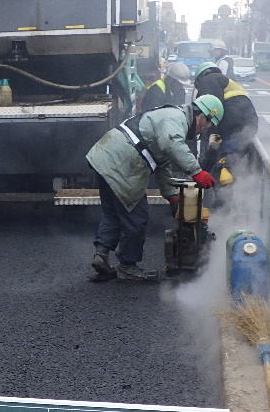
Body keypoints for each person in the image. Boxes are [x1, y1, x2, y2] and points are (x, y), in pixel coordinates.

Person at [85, 95, 224, 283]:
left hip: (104, 156)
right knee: (136, 217)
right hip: (122, 162)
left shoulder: (167, 116)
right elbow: (172, 144)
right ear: (201, 115)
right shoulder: (178, 118)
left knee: (114, 214)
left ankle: (100, 256)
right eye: (206, 125)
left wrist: (172, 197)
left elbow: (162, 164)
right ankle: (127, 266)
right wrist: (197, 172)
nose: (202, 130)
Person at [193, 66, 260, 175]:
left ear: (201, 77)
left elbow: (211, 107)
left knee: (221, 158)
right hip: (249, 121)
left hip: (231, 117)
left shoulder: (210, 79)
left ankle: (221, 170)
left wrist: (210, 131)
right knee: (230, 151)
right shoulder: (228, 82)